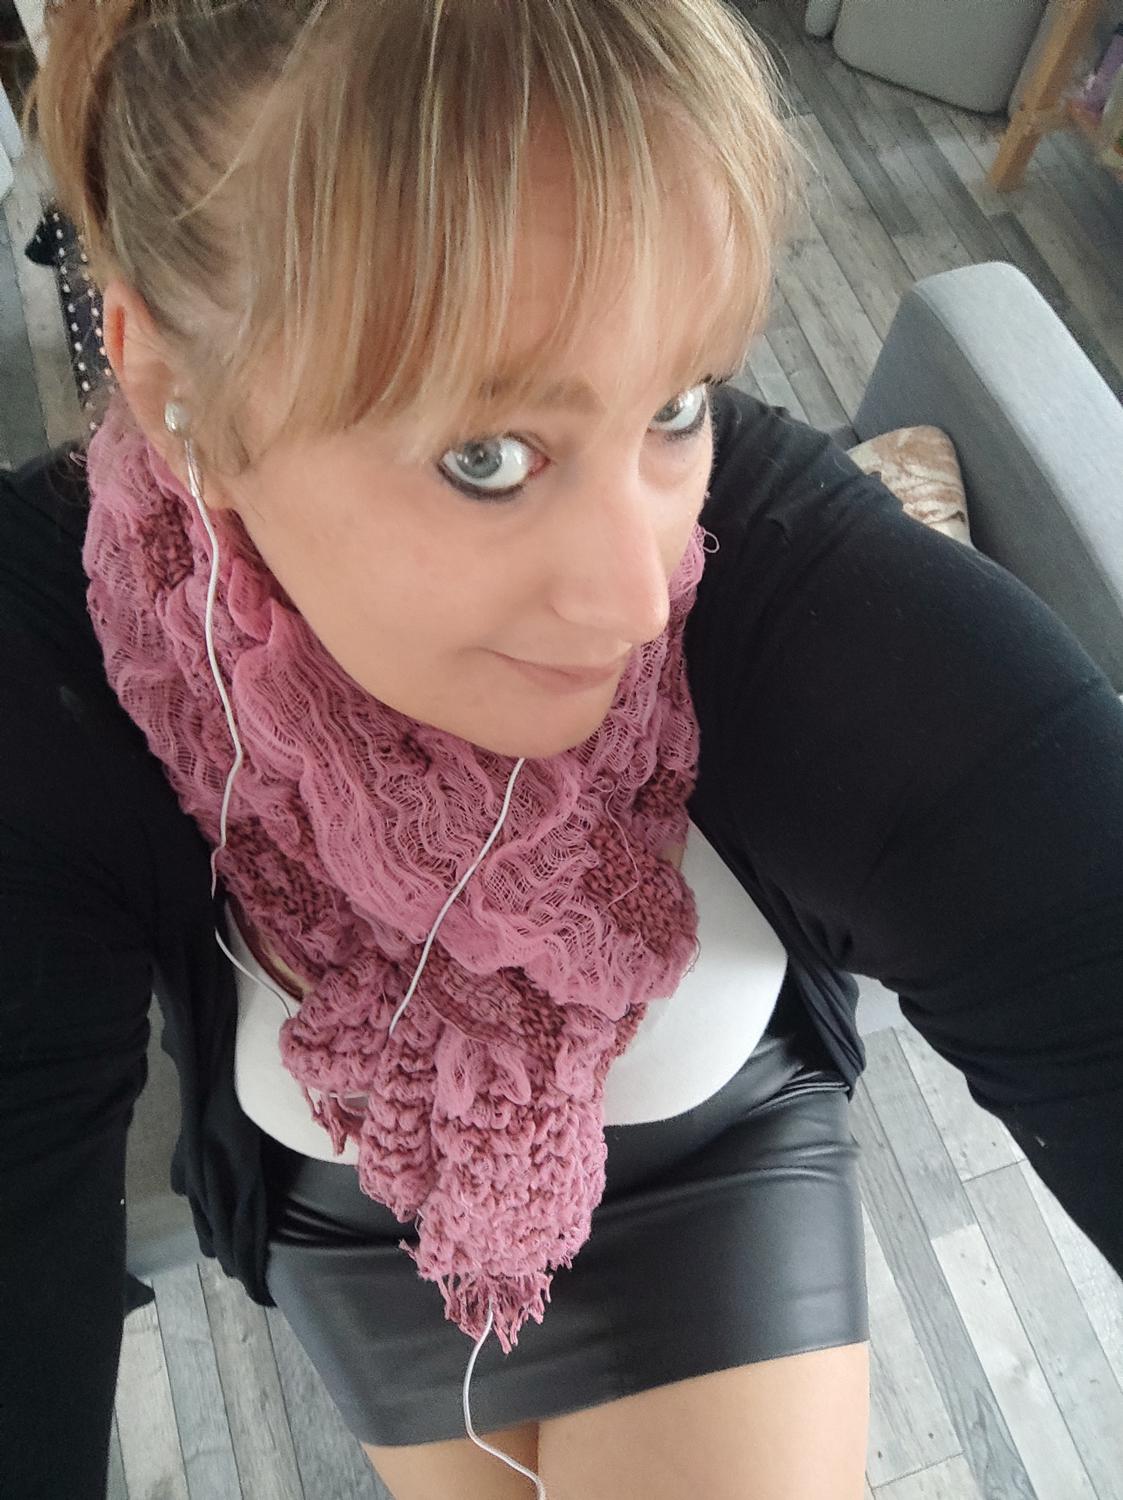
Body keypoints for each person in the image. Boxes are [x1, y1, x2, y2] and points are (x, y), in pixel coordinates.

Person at [2, 2, 1121, 1498]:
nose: (638, 594)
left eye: (675, 404)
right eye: (488, 458)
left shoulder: (774, 582)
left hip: (721, 1178)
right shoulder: (54, 653)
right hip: (359, 1250)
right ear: (171, 393)